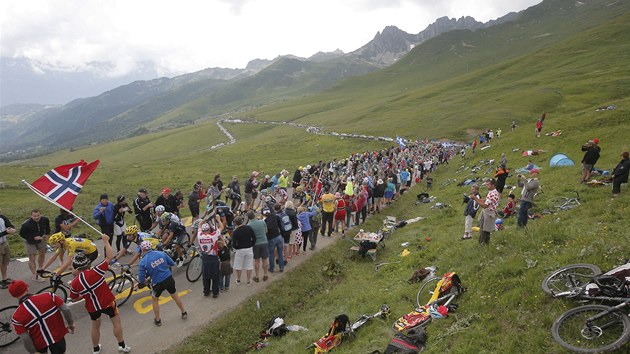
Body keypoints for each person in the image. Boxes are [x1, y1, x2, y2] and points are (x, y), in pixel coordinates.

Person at [69, 234, 131, 354]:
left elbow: (74, 298)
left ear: (75, 267)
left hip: (92, 307)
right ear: (87, 264)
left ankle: (96, 349)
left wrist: (83, 294)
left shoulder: (75, 283)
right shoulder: (96, 271)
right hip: (107, 302)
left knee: (95, 326)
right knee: (116, 322)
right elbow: (109, 257)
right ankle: (122, 346)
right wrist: (106, 241)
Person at [9, 279, 75, 354]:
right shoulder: (49, 296)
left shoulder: (16, 317)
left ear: (13, 296)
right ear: (27, 288)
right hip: (57, 336)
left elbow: (25, 338)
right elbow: (65, 309)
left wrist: (33, 352)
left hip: (39, 343)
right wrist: (70, 323)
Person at [138, 240, 188, 327]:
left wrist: (146, 280)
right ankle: (184, 312)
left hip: (157, 283)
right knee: (175, 295)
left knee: (155, 299)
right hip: (168, 278)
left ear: (142, 249)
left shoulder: (143, 262)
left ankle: (158, 320)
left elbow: (141, 279)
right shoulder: (161, 253)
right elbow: (172, 263)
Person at [196, 217, 225, 298]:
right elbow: (221, 227)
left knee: (205, 276)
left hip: (205, 258)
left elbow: (200, 224)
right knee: (215, 276)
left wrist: (205, 219)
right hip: (213, 258)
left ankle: (206, 291)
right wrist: (218, 220)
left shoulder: (199, 236)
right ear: (209, 230)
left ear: (202, 230)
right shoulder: (213, 236)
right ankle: (215, 292)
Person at [19, 208, 50, 282]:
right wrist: (32, 237)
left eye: (38, 215)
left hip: (41, 238)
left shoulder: (45, 219)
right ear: (31, 216)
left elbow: (47, 227)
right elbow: (21, 234)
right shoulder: (26, 224)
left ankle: (40, 269)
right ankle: (34, 275)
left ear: (40, 215)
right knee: (32, 257)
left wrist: (47, 234)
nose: (36, 217)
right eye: (34, 216)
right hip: (29, 240)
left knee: (42, 253)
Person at [470, 179, 499, 245]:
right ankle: (483, 243)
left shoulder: (493, 194)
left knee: (485, 230)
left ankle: (483, 244)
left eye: (488, 185)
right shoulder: (491, 192)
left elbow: (485, 205)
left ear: (493, 185)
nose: (486, 186)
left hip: (489, 213)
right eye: (486, 184)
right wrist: (476, 198)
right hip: (487, 212)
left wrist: (475, 199)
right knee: (484, 228)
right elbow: (484, 200)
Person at [231, 215, 256, 286]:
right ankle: (248, 280)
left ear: (235, 223)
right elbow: (254, 237)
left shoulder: (235, 232)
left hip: (240, 250)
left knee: (238, 265)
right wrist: (252, 244)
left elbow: (234, 244)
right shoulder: (249, 228)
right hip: (249, 248)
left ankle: (238, 280)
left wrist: (237, 247)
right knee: (249, 264)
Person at [248, 210, 269, 282]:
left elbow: (249, 237)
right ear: (254, 215)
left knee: (256, 260)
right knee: (265, 259)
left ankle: (257, 276)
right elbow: (266, 231)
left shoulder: (249, 225)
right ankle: (265, 275)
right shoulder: (262, 222)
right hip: (264, 242)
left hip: (255, 244)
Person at [0, 209, 16, 288]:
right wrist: (6, 232)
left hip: (4, 243)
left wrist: (11, 228)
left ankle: (4, 279)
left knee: (4, 262)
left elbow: (9, 224)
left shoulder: (2, 217)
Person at [268, 204, 286, 273]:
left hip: (272, 239)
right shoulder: (276, 217)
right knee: (280, 253)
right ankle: (281, 267)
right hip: (279, 237)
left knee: (271, 254)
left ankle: (271, 268)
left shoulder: (266, 221)